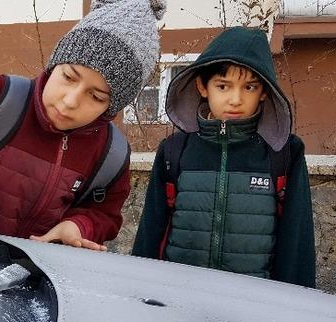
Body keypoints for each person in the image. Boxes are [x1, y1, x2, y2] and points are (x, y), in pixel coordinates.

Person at [0, 0, 167, 250]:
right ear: (54, 64)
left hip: (25, 282)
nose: (71, 101)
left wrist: (78, 226)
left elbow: (105, 213)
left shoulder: (111, 153)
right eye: (69, 77)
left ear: (112, 107)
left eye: (95, 96)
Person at [132, 27, 316, 287]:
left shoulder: (284, 153)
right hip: (179, 298)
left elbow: (297, 246)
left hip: (253, 304)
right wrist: (138, 294)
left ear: (264, 92)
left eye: (249, 87)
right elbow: (150, 234)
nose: (235, 99)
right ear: (202, 86)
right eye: (223, 86)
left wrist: (295, 312)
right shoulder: (174, 151)